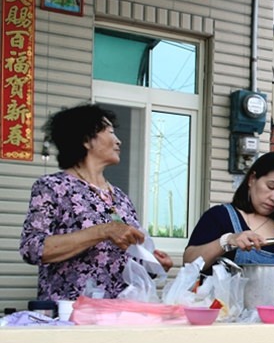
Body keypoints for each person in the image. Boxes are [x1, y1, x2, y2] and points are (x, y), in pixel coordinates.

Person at [19, 103, 173, 301]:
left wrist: (152, 265)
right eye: (110, 132)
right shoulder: (53, 187)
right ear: (86, 140)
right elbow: (32, 248)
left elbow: (123, 264)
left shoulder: (120, 197)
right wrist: (103, 231)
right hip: (71, 316)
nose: (118, 141)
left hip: (116, 316)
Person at [184, 152, 274, 269]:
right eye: (271, 186)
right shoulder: (221, 216)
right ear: (252, 179)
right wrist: (226, 241)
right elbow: (189, 263)